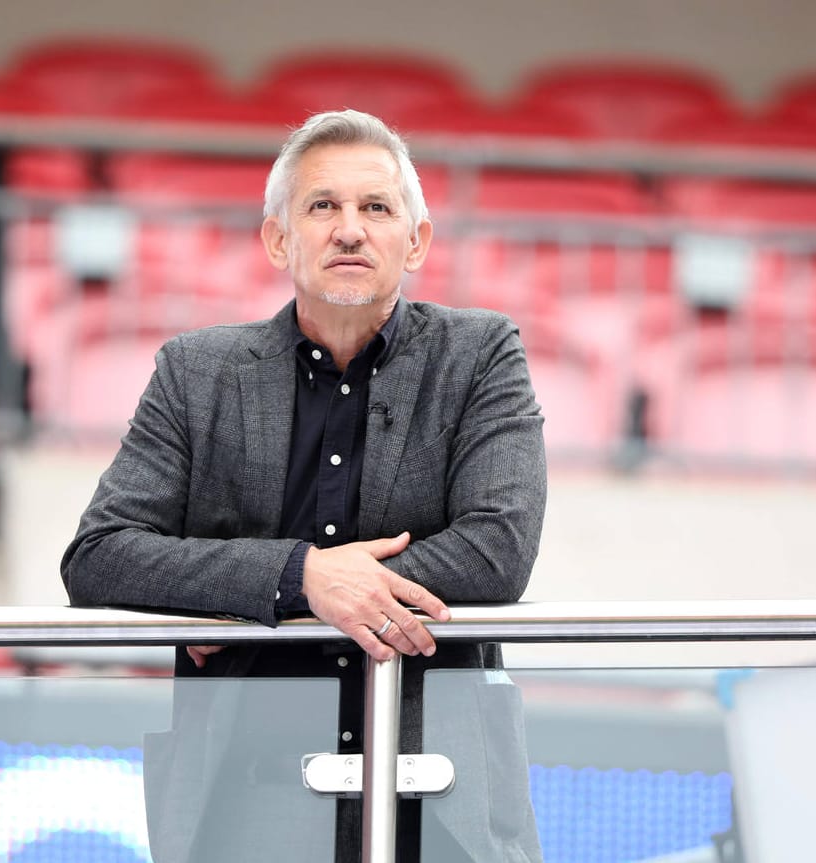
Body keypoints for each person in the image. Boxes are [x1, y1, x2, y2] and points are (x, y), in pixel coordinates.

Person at [61, 109, 547, 862]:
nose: (349, 230)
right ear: (278, 238)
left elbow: (498, 550)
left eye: (376, 208)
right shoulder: (196, 373)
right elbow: (98, 556)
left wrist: (247, 591)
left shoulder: (481, 355)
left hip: (442, 798)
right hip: (245, 804)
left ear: (415, 241)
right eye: (323, 206)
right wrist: (298, 577)